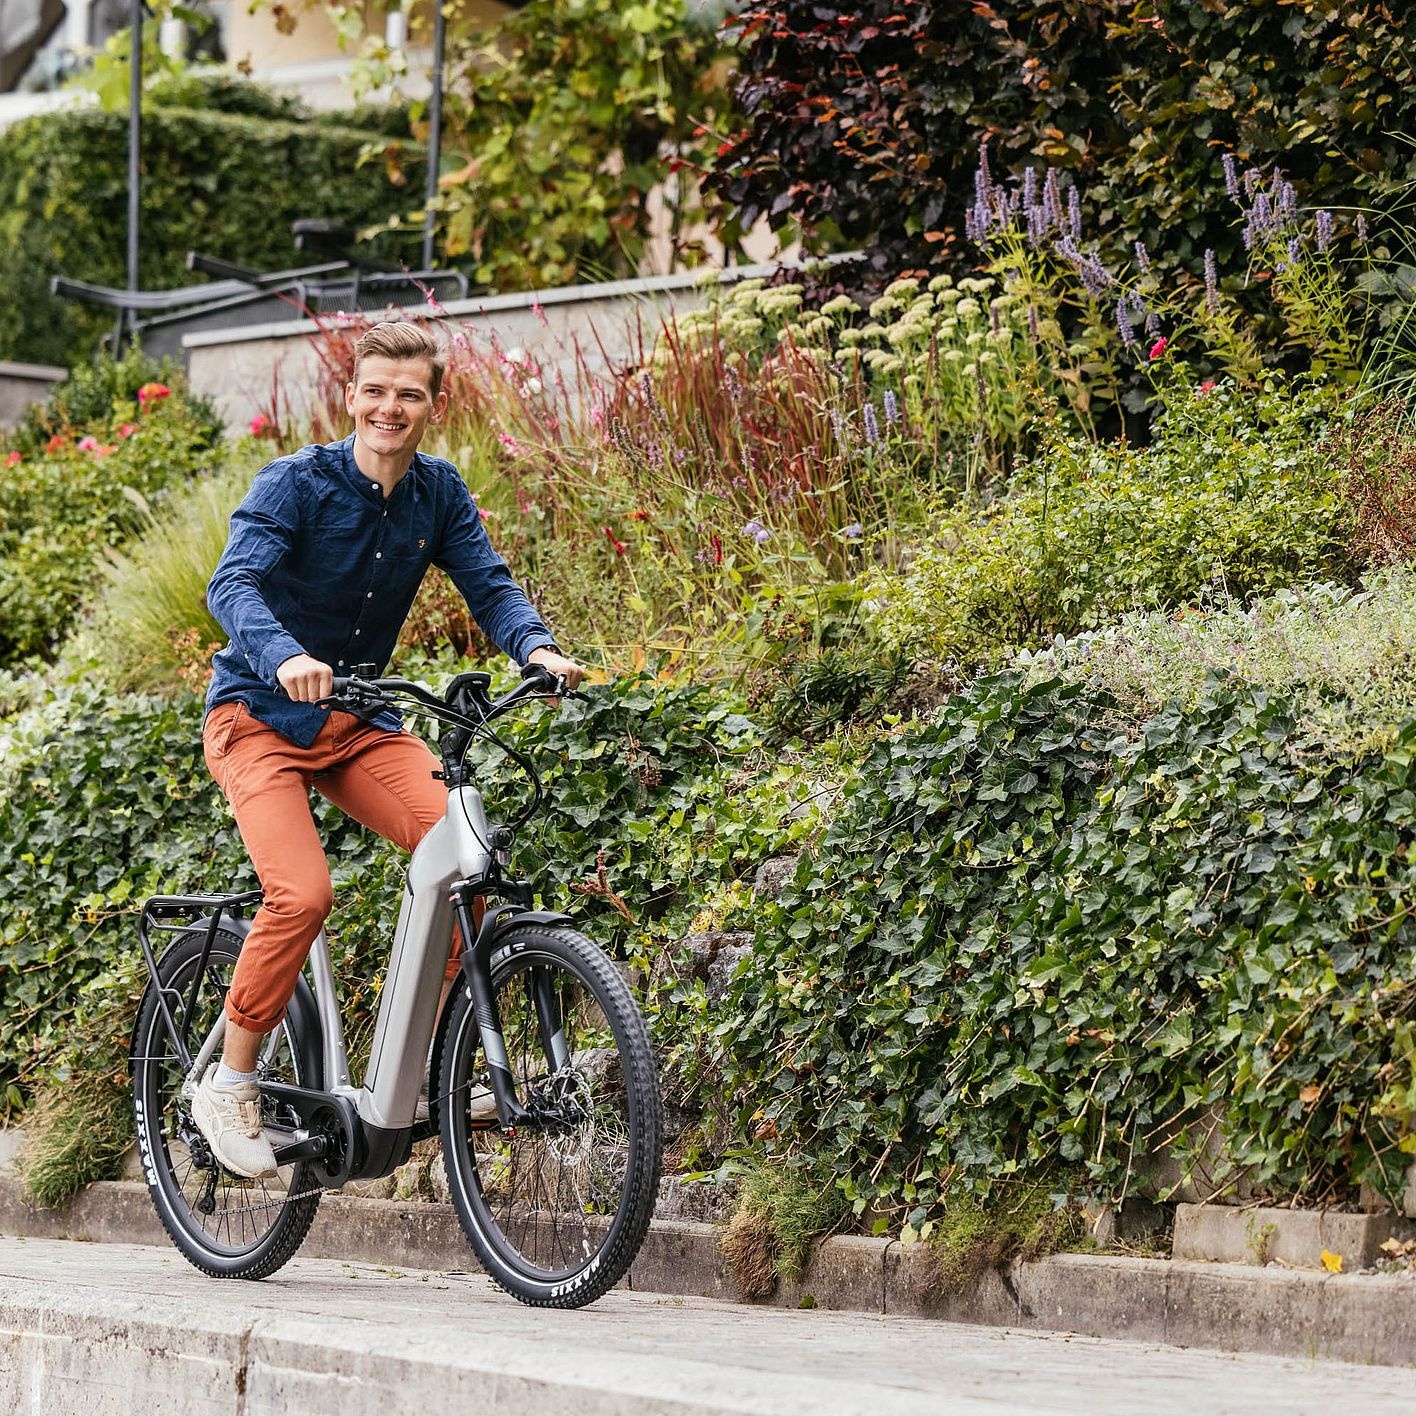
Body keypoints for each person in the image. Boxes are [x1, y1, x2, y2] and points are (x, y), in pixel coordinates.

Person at [194, 320, 582, 1178]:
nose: (389, 408)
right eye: (375, 390)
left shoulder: (436, 493)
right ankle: (230, 1081)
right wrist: (285, 656)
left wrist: (538, 649)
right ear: (351, 396)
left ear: (432, 405)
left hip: (356, 722)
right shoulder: (296, 482)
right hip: (259, 716)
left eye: (408, 394)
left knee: (466, 860)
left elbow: (489, 584)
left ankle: (428, 1073)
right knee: (302, 894)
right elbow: (233, 582)